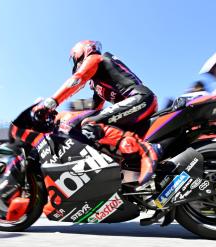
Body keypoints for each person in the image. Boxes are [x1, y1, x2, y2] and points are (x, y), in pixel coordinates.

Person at [32, 40, 160, 187]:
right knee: (92, 129)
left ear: (80, 52)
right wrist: (61, 117)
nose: (77, 64)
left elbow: (78, 79)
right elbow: (95, 110)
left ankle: (144, 150)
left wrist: (50, 103)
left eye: (76, 60)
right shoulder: (97, 83)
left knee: (91, 124)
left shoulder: (96, 58)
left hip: (140, 99)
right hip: (135, 106)